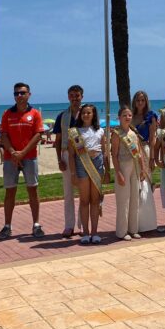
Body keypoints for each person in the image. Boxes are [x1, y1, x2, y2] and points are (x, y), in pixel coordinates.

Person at [0, 83, 44, 239]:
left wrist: (22, 153)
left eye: (22, 93)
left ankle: (36, 225)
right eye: (16, 93)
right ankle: (7, 226)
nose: (19, 96)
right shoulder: (7, 114)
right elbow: (3, 135)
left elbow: (37, 135)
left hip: (30, 157)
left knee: (33, 190)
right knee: (10, 192)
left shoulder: (35, 114)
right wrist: (13, 153)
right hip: (11, 159)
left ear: (29, 94)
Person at [68, 104, 107, 244]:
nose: (86, 115)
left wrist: (107, 171)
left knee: (95, 200)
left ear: (93, 114)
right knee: (84, 200)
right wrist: (73, 174)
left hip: (97, 164)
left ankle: (95, 232)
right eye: (84, 113)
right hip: (81, 165)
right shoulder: (74, 132)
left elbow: (104, 152)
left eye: (89, 113)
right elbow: (71, 155)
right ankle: (85, 232)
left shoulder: (100, 130)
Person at [53, 85, 84, 238]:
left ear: (82, 97)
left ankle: (84, 224)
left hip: (83, 156)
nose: (74, 98)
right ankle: (69, 225)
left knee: (84, 192)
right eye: (71, 95)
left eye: (77, 95)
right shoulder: (62, 116)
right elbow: (57, 140)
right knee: (68, 193)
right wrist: (59, 159)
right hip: (66, 154)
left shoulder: (87, 114)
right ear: (68, 97)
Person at [112, 106, 146, 240]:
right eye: (124, 115)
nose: (127, 118)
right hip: (123, 167)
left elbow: (139, 153)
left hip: (135, 168)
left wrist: (143, 169)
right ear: (119, 118)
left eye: (130, 115)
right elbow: (113, 155)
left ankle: (133, 229)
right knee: (123, 200)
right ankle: (122, 231)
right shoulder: (116, 134)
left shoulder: (133, 133)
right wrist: (118, 173)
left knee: (134, 200)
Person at [131, 90, 159, 233]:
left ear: (146, 101)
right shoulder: (130, 117)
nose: (140, 103)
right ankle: (134, 223)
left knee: (145, 184)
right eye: (138, 100)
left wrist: (153, 157)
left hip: (146, 150)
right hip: (133, 153)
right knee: (134, 186)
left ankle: (147, 223)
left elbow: (153, 137)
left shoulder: (150, 116)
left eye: (142, 100)